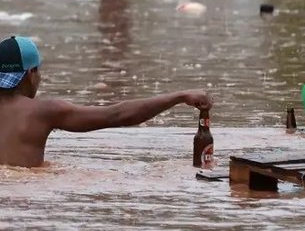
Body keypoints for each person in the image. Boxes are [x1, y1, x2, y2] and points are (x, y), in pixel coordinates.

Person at [0, 36, 212, 168]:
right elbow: (118, 115)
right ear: (31, 73)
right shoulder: (43, 112)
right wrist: (179, 96)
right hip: (25, 196)